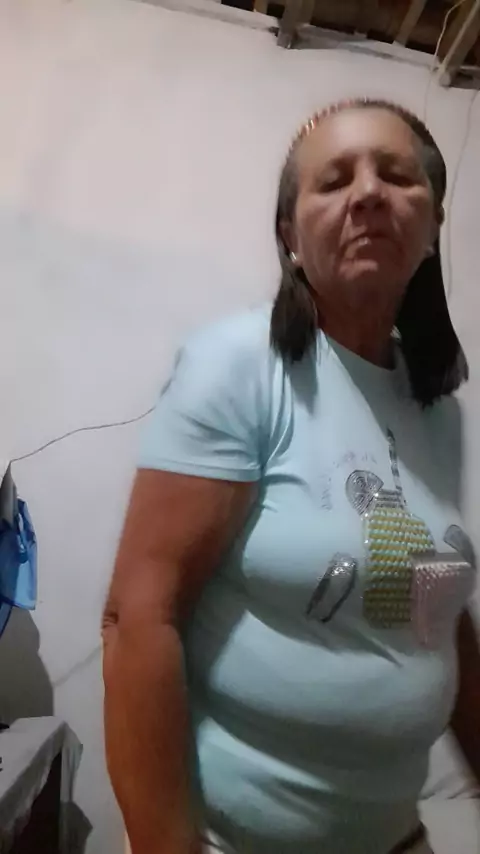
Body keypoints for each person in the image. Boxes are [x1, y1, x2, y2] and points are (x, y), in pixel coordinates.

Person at [103, 98, 480, 854]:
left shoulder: (439, 411)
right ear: (290, 239)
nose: (367, 193)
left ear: (434, 223)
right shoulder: (241, 367)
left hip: (397, 837)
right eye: (333, 180)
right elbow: (138, 619)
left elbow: (436, 604)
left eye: (396, 174)